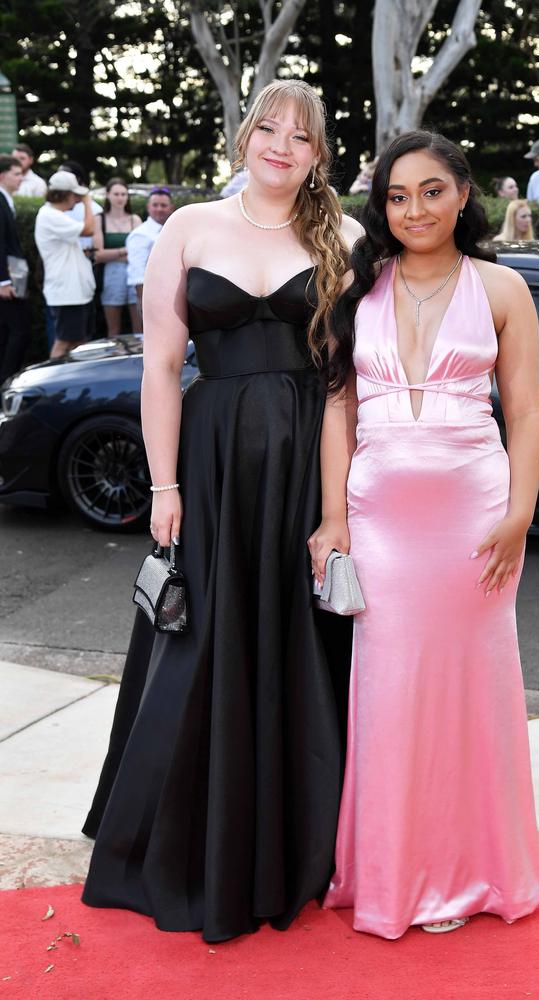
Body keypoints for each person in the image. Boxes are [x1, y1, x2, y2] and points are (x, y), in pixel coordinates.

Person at [81, 79, 364, 943]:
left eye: (302, 137)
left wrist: (333, 513)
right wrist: (163, 488)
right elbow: (161, 367)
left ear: (320, 156)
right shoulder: (189, 225)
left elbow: (341, 389)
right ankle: (178, 845)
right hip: (205, 469)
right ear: (245, 135)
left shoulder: (344, 236)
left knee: (290, 642)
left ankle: (290, 845)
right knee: (197, 641)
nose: (282, 145)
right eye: (269, 128)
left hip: (298, 466)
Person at [310, 130, 539, 939]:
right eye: (398, 196)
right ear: (381, 206)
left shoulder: (504, 287)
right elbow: (338, 410)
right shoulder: (358, 285)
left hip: (476, 523)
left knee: (473, 694)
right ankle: (394, 875)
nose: (415, 209)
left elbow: (523, 411)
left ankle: (472, 872)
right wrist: (334, 517)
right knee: (389, 695)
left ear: (462, 193)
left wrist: (519, 513)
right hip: (381, 525)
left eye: (432, 191)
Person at [34, 171, 96, 358]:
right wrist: (87, 201)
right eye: (75, 195)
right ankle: (54, 381)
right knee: (65, 342)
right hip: (67, 293)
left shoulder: (53, 215)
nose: (76, 200)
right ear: (64, 195)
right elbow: (89, 229)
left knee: (76, 343)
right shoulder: (50, 215)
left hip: (70, 292)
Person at [94, 178, 142, 336]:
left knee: (139, 327)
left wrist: (112, 254)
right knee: (113, 329)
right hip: (110, 275)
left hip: (134, 274)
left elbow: (138, 254)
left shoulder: (135, 220)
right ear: (108, 195)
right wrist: (124, 250)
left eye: (123, 194)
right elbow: (98, 255)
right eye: (116, 194)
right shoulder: (99, 220)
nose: (120, 198)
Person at [126, 187, 175, 326]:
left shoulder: (174, 230)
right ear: (148, 207)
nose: (159, 209)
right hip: (152, 300)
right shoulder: (140, 234)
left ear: (171, 208)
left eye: (164, 205)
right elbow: (138, 275)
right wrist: (145, 308)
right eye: (155, 205)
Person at [0, 156, 29, 382]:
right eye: (16, 174)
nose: (21, 178)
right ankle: (7, 383)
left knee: (9, 332)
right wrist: (3, 281)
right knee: (19, 331)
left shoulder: (6, 199)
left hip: (9, 279)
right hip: (5, 282)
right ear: (3, 175)